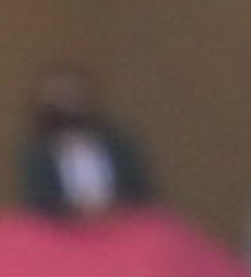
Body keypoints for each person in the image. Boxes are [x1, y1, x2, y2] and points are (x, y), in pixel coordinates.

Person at [19, 64, 158, 220]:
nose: (66, 102)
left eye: (72, 94)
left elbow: (140, 189)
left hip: (122, 225)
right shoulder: (37, 154)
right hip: (62, 232)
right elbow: (37, 200)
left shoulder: (117, 144)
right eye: (58, 95)